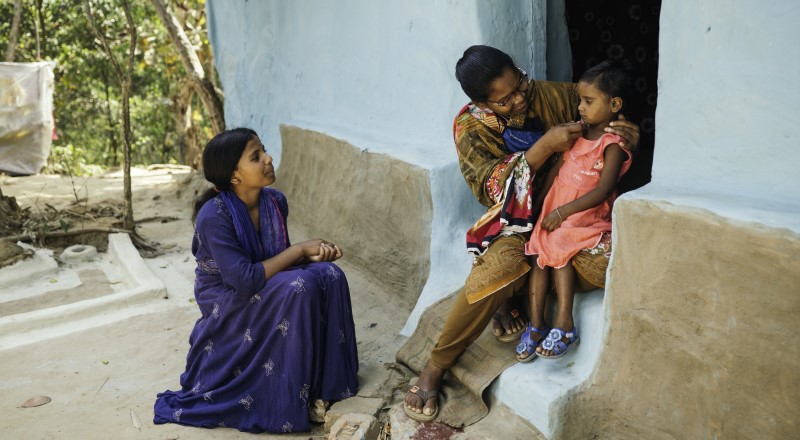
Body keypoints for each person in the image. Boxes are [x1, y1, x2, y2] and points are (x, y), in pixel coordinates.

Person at [403, 45, 640, 422]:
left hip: (573, 219)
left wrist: (627, 135)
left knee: (609, 265)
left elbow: (604, 119)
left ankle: (521, 289)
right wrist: (542, 149)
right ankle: (435, 366)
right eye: (505, 100)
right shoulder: (471, 126)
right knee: (495, 271)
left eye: (520, 85)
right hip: (515, 221)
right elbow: (489, 189)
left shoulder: (555, 96)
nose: (519, 100)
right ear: (482, 103)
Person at [154, 128, 359, 434]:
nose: (268, 158)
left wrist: (309, 258)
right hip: (227, 299)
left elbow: (274, 259)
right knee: (298, 288)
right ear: (234, 176)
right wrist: (299, 249)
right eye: (256, 156)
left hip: (261, 281)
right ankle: (285, 400)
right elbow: (245, 279)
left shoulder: (275, 201)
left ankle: (323, 386)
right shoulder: (214, 216)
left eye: (264, 150)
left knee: (329, 276)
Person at [516, 60, 634, 362]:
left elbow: (603, 190)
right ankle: (536, 323)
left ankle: (565, 323)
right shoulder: (576, 133)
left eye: (588, 101)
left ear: (615, 104)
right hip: (557, 209)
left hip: (584, 214)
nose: (580, 107)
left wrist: (563, 212)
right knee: (537, 251)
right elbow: (557, 170)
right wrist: (538, 208)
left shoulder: (613, 143)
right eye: (580, 100)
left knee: (558, 246)